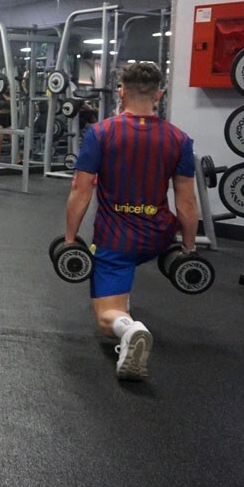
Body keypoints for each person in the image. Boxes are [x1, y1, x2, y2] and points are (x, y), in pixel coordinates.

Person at [64, 62, 198, 381]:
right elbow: (187, 202)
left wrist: (69, 241)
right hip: (160, 236)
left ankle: (128, 329)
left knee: (105, 317)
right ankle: (124, 300)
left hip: (116, 239)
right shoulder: (180, 139)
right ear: (159, 95)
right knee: (130, 267)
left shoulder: (101, 133)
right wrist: (188, 249)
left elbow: (81, 189)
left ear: (121, 93)